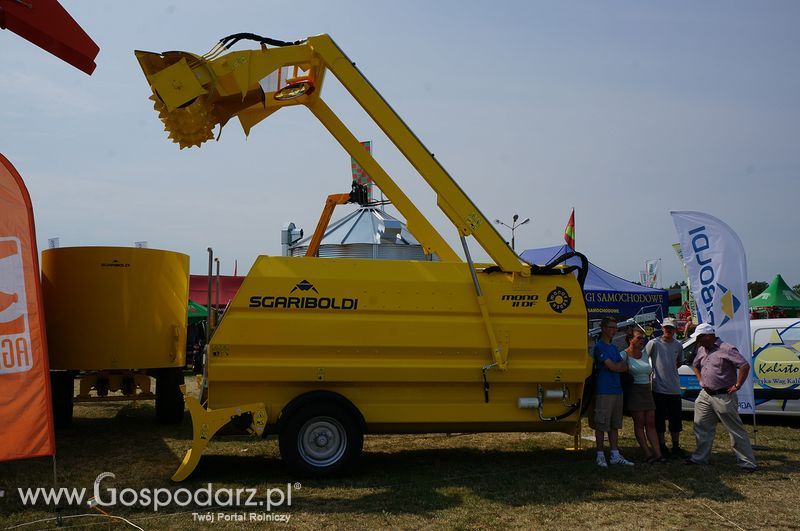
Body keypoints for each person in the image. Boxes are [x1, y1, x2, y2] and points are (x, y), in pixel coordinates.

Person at [686, 323, 757, 470]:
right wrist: (700, 380)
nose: (698, 341)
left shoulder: (727, 349)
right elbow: (695, 364)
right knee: (701, 426)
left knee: (735, 430)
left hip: (723, 395)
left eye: (700, 337)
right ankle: (700, 458)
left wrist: (737, 385)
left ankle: (747, 463)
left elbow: (744, 366)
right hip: (705, 395)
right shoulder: (701, 349)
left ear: (709, 336)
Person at [593, 317, 634, 467]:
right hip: (604, 390)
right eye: (611, 327)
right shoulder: (600, 346)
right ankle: (600, 455)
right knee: (602, 424)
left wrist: (619, 366)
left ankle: (615, 454)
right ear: (603, 328)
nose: (614, 330)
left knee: (614, 424)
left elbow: (624, 366)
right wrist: (619, 367)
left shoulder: (613, 348)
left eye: (615, 328)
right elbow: (614, 367)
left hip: (617, 390)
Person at [624, 327, 666, 464]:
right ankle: (647, 453)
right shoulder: (623, 355)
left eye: (643, 338)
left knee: (651, 423)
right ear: (630, 340)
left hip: (647, 390)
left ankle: (658, 454)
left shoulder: (644, 354)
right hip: (634, 391)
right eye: (639, 338)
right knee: (640, 423)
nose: (642, 340)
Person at [646, 317, 685, 457]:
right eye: (666, 327)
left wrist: (670, 368)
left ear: (675, 329)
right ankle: (661, 445)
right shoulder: (654, 343)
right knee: (659, 419)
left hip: (674, 388)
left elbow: (680, 361)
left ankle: (676, 446)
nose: (668, 330)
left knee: (676, 419)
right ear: (662, 328)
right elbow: (645, 358)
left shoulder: (678, 345)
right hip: (658, 388)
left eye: (671, 328)